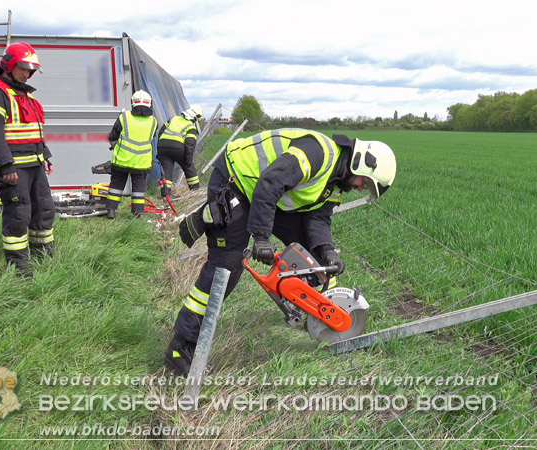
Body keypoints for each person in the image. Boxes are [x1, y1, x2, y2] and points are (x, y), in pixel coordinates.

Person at [166, 129, 397, 375]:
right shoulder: (318, 154)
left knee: (316, 261)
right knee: (227, 266)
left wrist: (327, 250)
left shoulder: (339, 182)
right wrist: (262, 237)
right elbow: (269, 183)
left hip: (270, 195)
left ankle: (303, 311)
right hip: (238, 181)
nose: (362, 188)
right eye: (366, 183)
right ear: (361, 164)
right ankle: (181, 346)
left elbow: (318, 219)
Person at [0, 42, 54, 276]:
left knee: (44, 210)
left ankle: (43, 261)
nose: (27, 73)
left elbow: (34, 131)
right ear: (9, 65)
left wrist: (46, 156)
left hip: (35, 164)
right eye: (24, 68)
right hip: (14, 168)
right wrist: (6, 165)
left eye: (31, 70)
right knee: (19, 215)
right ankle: (19, 270)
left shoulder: (22, 93)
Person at [105, 90, 158, 219]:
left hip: (122, 160)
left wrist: (114, 146)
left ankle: (111, 211)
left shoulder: (124, 117)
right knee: (138, 190)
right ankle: (137, 214)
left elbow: (113, 136)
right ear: (149, 104)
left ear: (132, 103)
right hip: (141, 162)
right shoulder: (154, 122)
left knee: (116, 186)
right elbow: (151, 137)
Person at [157, 105, 202, 192]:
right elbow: (190, 145)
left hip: (162, 146)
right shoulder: (191, 127)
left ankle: (165, 194)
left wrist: (161, 145)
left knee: (167, 170)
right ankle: (195, 190)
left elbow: (161, 131)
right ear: (196, 118)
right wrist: (188, 161)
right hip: (177, 148)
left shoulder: (173, 119)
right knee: (189, 168)